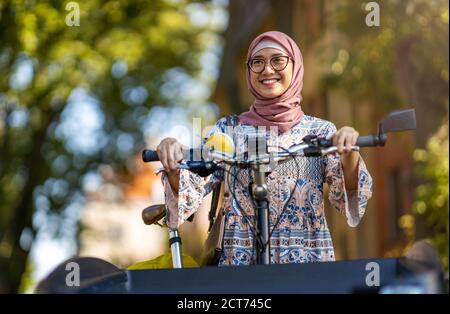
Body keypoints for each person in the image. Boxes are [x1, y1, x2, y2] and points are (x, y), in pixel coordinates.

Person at [156, 31, 373, 266]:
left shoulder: (320, 132)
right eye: (257, 62)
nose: (267, 70)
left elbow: (349, 198)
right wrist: (173, 162)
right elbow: (190, 192)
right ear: (249, 71)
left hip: (306, 264)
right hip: (241, 264)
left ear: (295, 66)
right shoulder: (227, 131)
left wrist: (350, 152)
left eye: (278, 60)